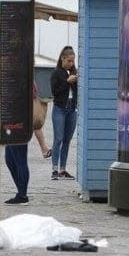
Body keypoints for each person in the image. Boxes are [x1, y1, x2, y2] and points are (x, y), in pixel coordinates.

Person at [49, 46, 78, 180]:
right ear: (63, 59)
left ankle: (63, 169)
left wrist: (75, 81)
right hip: (59, 109)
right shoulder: (56, 73)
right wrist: (67, 82)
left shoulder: (74, 73)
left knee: (67, 140)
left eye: (73, 61)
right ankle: (54, 169)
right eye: (69, 61)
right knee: (58, 139)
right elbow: (55, 92)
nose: (71, 64)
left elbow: (77, 92)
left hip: (72, 109)